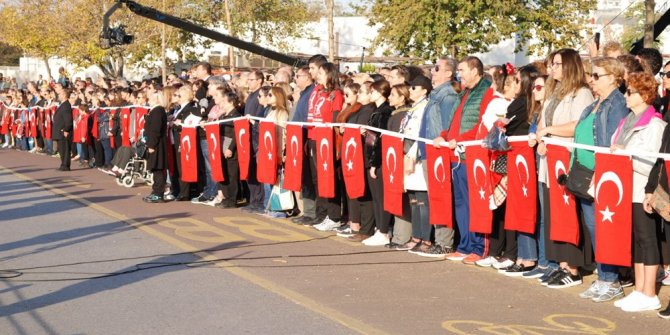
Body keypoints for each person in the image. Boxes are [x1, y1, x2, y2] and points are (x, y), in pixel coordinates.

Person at [564, 57, 629, 301]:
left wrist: (602, 171)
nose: (591, 80)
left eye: (597, 75)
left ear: (613, 77)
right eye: (591, 75)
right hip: (583, 171)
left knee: (605, 227)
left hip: (601, 173)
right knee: (594, 228)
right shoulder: (593, 103)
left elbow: (613, 139)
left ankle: (611, 280)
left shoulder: (617, 103)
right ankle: (603, 277)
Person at [534, 48, 594, 288]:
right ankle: (560, 264)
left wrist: (548, 132)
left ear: (569, 65)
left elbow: (578, 125)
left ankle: (574, 267)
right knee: (553, 213)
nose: (552, 68)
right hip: (549, 159)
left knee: (570, 213)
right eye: (551, 64)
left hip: (567, 160)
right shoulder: (554, 92)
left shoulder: (581, 93)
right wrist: (539, 137)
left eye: (557, 64)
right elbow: (543, 121)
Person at [611, 72, 666, 311]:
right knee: (635, 240)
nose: (625, 96)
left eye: (630, 92)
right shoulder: (626, 121)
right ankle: (638, 288)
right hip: (625, 188)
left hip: (641, 188)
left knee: (647, 238)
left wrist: (626, 154)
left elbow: (653, 164)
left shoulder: (655, 125)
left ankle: (650, 292)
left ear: (644, 95)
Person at [433, 56, 493, 264]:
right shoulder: (465, 92)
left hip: (472, 157)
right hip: (456, 155)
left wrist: (458, 139)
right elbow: (455, 121)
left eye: (463, 70)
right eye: (458, 70)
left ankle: (479, 247)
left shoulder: (486, 91)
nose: (460, 74)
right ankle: (465, 245)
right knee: (461, 204)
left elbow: (482, 127)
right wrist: (444, 134)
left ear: (476, 70)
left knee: (475, 204)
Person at [394, 76, 432, 251]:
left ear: (424, 90)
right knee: (413, 199)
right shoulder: (413, 108)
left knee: (423, 200)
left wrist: (412, 153)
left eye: (414, 88)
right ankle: (416, 235)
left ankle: (426, 238)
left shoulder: (425, 107)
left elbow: (422, 133)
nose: (411, 90)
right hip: (407, 154)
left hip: (416, 155)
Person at [309, 62, 345, 232]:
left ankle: (334, 216)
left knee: (330, 177)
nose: (318, 76)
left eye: (322, 73)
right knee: (319, 178)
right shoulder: (317, 91)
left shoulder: (336, 94)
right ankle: (323, 213)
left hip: (328, 140)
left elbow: (335, 118)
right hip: (315, 137)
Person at [142, 90, 169, 203]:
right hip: (154, 143)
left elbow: (155, 130)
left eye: (151, 98)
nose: (149, 100)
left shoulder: (158, 111)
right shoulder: (155, 110)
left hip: (156, 144)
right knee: (155, 169)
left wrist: (152, 145)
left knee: (158, 168)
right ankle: (156, 191)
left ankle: (158, 194)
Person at [52, 89, 75, 171]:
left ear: (64, 95)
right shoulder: (63, 105)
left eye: (60, 94)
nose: (59, 95)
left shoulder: (66, 106)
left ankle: (65, 165)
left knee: (65, 149)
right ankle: (63, 164)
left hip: (63, 131)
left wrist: (66, 130)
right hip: (60, 131)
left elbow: (68, 120)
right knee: (62, 149)